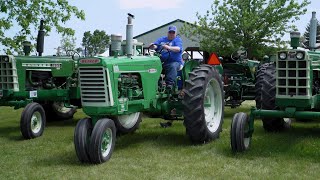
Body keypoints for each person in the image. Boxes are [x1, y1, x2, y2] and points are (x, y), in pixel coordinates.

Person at [149, 25, 183, 91]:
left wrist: (169, 47)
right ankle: (156, 84)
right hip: (162, 63)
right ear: (168, 32)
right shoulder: (162, 39)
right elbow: (156, 46)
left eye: (173, 32)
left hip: (175, 63)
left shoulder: (177, 40)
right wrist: (153, 46)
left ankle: (170, 85)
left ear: (175, 33)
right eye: (170, 32)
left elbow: (178, 49)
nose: (171, 34)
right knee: (152, 67)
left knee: (172, 66)